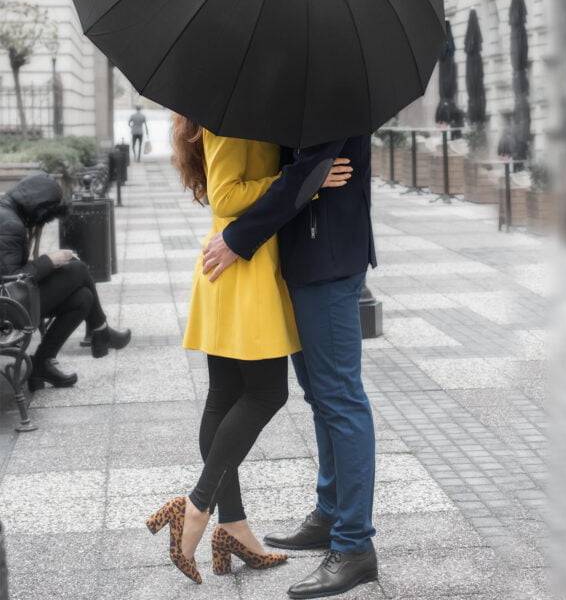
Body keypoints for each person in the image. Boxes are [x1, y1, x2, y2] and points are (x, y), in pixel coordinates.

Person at [147, 116, 353, 585]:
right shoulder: (235, 122)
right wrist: (301, 179)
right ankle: (198, 505)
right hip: (243, 265)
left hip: (233, 263)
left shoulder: (227, 113)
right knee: (266, 394)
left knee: (224, 397)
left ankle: (233, 525)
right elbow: (226, 195)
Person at [202, 135, 378, 600]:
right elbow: (301, 175)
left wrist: (237, 239)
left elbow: (311, 170)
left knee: (340, 399)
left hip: (330, 260)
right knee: (320, 397)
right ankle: (329, 515)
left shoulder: (333, 81)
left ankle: (355, 546)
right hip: (301, 258)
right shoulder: (304, 78)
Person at [0, 172, 131, 391]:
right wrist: (49, 261)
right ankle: (101, 330)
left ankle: (41, 364)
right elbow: (11, 281)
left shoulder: (8, 213)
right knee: (78, 269)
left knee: (82, 298)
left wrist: (51, 262)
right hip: (7, 310)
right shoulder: (9, 224)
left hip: (8, 301)